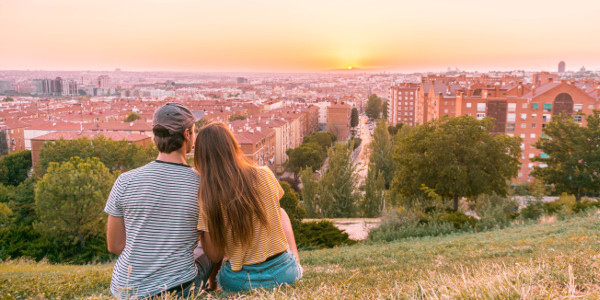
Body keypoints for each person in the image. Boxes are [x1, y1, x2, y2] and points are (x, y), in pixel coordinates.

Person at [104, 103, 213, 299]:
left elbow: (115, 246)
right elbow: (213, 250)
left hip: (127, 290)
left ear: (156, 136)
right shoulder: (202, 186)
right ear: (187, 135)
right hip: (178, 289)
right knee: (206, 252)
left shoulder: (125, 181)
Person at [193, 122, 302, 292]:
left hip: (240, 282)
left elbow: (215, 254)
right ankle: (295, 261)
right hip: (285, 275)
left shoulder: (207, 196)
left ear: (201, 157)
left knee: (216, 231)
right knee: (281, 212)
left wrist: (202, 233)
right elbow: (273, 210)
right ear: (233, 146)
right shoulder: (264, 173)